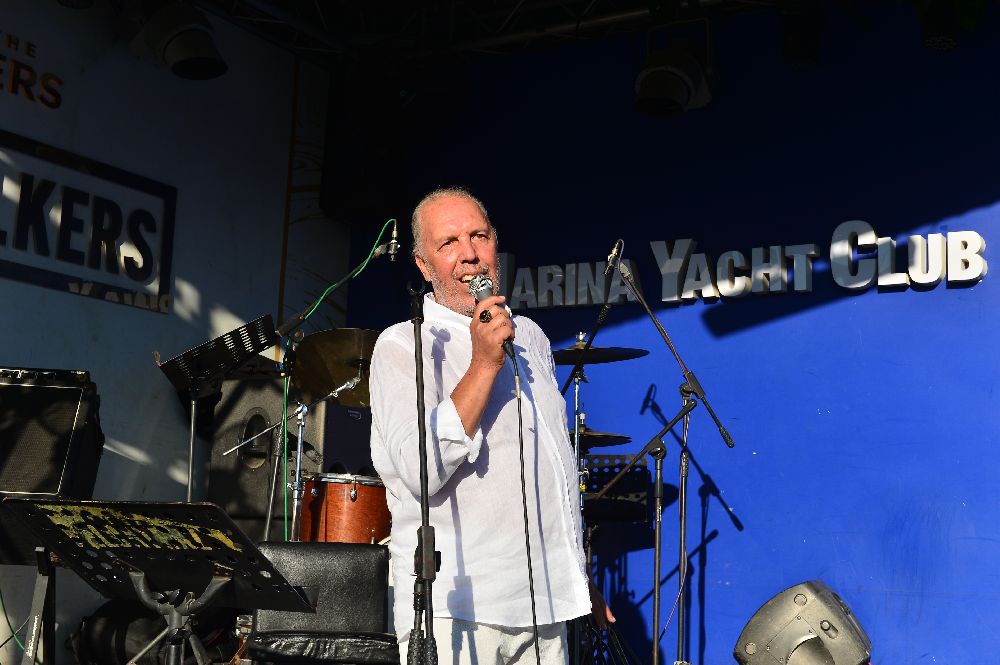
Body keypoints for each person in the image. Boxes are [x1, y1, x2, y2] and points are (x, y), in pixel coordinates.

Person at [369, 187, 613, 665]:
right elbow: (420, 471)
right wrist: (482, 364)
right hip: (459, 607)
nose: (469, 253)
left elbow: (551, 470)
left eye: (478, 236)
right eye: (449, 242)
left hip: (545, 603)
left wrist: (575, 575)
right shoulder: (404, 345)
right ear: (424, 265)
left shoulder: (531, 337)